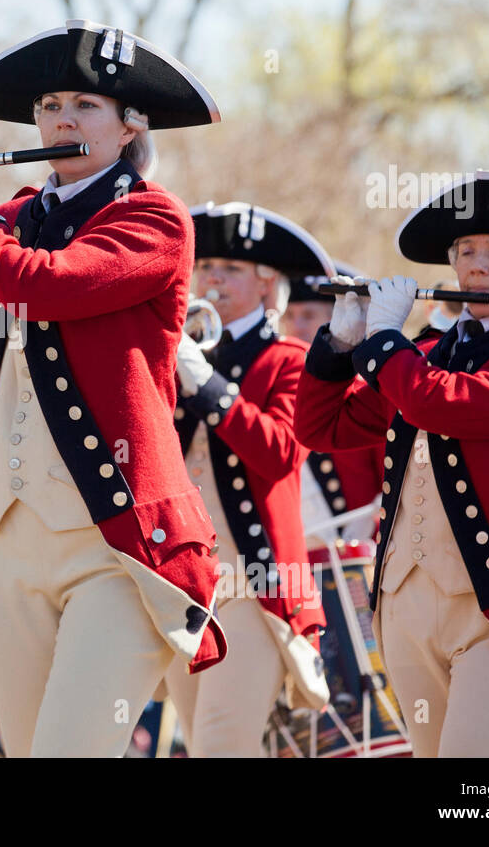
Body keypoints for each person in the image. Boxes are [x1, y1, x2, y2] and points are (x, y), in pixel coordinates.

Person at [0, 20, 227, 756]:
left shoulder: (153, 218)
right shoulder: (13, 221)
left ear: (132, 124)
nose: (61, 119)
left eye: (85, 105)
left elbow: (44, 285)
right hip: (8, 539)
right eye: (49, 105)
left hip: (116, 540)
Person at [295, 169, 489, 756]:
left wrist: (386, 339)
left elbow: (439, 403)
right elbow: (322, 429)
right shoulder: (421, 358)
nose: (476, 264)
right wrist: (340, 344)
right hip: (406, 607)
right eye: (466, 251)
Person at [161, 201, 332, 755]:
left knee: (219, 744)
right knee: (206, 740)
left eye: (230, 267)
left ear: (267, 285)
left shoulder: (291, 359)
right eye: (205, 262)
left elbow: (281, 451)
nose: (211, 275)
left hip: (259, 585)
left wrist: (207, 384)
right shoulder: (173, 354)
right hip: (183, 580)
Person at [280, 264, 383, 546]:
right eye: (290, 315)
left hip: (358, 551)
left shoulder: (364, 390)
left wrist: (370, 521)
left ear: (335, 318)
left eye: (309, 315)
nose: (296, 325)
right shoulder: (275, 384)